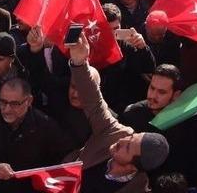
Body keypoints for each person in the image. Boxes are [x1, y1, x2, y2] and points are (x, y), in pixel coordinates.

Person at [63, 32, 170, 193]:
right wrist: (79, 63)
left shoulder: (136, 188)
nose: (122, 140)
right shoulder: (117, 133)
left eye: (127, 147)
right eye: (131, 137)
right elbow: (94, 103)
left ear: (133, 168)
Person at [0, 78, 72, 193]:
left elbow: (63, 156)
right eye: (3, 102)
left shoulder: (45, 125)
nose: (7, 109)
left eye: (14, 104)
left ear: (29, 101)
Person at [119, 64, 183, 132]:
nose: (153, 95)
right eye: (152, 88)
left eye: (161, 92)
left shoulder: (181, 121)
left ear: (175, 95)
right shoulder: (132, 114)